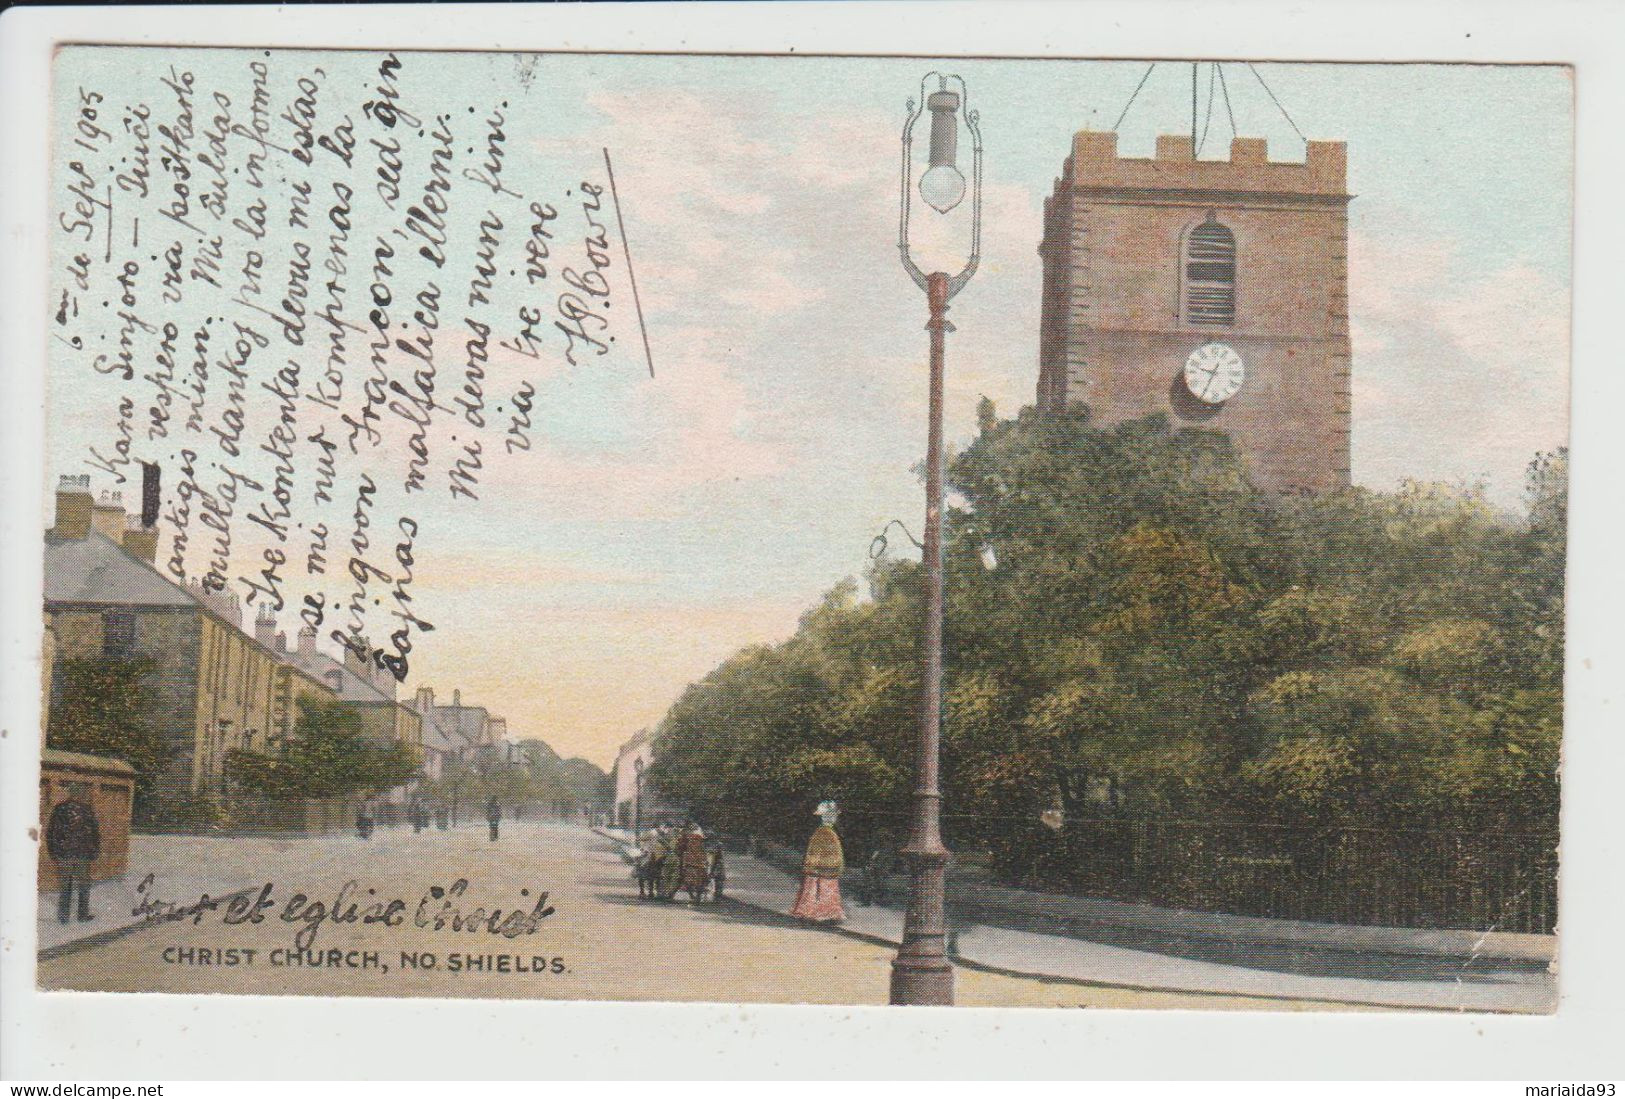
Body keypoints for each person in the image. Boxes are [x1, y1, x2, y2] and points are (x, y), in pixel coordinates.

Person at [46, 784, 101, 925]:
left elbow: (51, 833)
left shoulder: (59, 809)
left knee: (66, 887)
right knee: (83, 886)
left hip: (65, 854)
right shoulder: (87, 810)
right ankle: (82, 916)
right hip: (82, 855)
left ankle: (64, 918)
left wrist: (53, 852)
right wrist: (94, 851)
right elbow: (95, 834)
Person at [790, 800, 846, 923]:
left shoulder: (824, 831)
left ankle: (820, 912)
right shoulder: (826, 832)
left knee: (818, 889)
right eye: (832, 815)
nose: (834, 818)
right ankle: (820, 912)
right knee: (821, 889)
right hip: (824, 868)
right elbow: (818, 851)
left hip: (822, 867)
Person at [676, 821, 709, 901]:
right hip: (699, 862)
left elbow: (679, 848)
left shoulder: (686, 837)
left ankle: (692, 896)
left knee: (687, 879)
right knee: (700, 879)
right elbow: (704, 850)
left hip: (689, 861)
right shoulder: (701, 838)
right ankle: (697, 896)